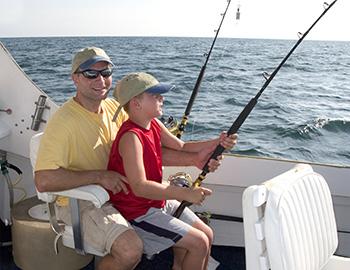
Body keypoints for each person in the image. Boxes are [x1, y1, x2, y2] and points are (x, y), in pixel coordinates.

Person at [34, 47, 237, 270]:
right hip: (81, 200)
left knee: (206, 233)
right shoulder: (62, 122)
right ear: (75, 78)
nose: (100, 80)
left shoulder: (114, 107)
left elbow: (146, 152)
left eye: (106, 73)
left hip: (124, 190)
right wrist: (100, 176)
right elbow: (44, 181)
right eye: (91, 73)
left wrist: (197, 158)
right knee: (131, 250)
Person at [107, 72, 236, 270]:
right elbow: (140, 187)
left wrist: (218, 142)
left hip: (156, 202)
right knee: (198, 243)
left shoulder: (153, 125)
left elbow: (182, 147)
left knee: (207, 234)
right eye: (155, 96)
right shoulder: (131, 137)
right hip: (138, 212)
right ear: (136, 103)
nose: (162, 99)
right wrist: (184, 193)